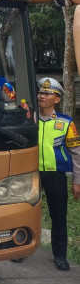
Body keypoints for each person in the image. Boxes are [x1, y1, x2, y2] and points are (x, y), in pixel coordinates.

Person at [36, 77, 80, 271]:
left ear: (57, 99)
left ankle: (60, 255)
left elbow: (76, 154)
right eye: (40, 92)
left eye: (47, 93)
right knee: (28, 211)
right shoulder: (30, 119)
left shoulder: (66, 123)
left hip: (56, 175)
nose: (42, 96)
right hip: (32, 174)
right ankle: (21, 249)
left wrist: (77, 181)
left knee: (58, 215)